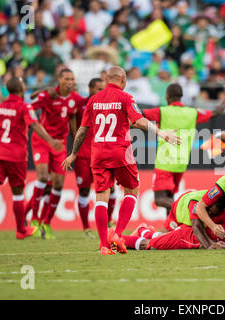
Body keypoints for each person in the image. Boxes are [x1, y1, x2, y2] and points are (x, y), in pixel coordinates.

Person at [61, 66, 181, 256]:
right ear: (123, 80)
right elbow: (139, 121)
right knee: (132, 190)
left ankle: (103, 245)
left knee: (101, 197)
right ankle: (116, 234)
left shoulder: (93, 100)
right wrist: (161, 133)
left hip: (98, 154)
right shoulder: (126, 98)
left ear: (107, 79)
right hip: (120, 153)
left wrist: (74, 153)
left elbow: (82, 130)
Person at [0, 77, 64, 239]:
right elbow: (35, 125)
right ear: (21, 89)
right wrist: (50, 141)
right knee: (17, 192)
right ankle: (20, 229)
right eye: (23, 85)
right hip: (16, 155)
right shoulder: (24, 107)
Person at [142, 83, 225, 214]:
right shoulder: (192, 113)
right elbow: (216, 112)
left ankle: (189, 207)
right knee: (169, 198)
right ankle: (172, 229)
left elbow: (138, 114)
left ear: (167, 96)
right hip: (181, 163)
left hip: (164, 162)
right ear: (181, 96)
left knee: (160, 199)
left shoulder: (162, 111)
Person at [28, 68, 84, 239]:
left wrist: (76, 141)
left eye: (72, 79)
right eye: (67, 78)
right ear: (59, 80)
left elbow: (75, 117)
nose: (70, 81)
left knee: (58, 185)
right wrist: (43, 91)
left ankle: (47, 223)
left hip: (59, 145)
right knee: (43, 178)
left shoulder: (75, 99)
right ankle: (34, 220)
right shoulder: (48, 96)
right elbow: (29, 105)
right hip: (42, 141)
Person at [73, 78, 106, 239]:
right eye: (98, 88)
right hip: (83, 156)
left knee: (109, 189)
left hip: (102, 154)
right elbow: (73, 122)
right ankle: (86, 227)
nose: (101, 92)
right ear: (90, 88)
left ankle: (109, 222)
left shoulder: (107, 106)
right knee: (84, 190)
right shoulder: (81, 105)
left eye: (103, 89)